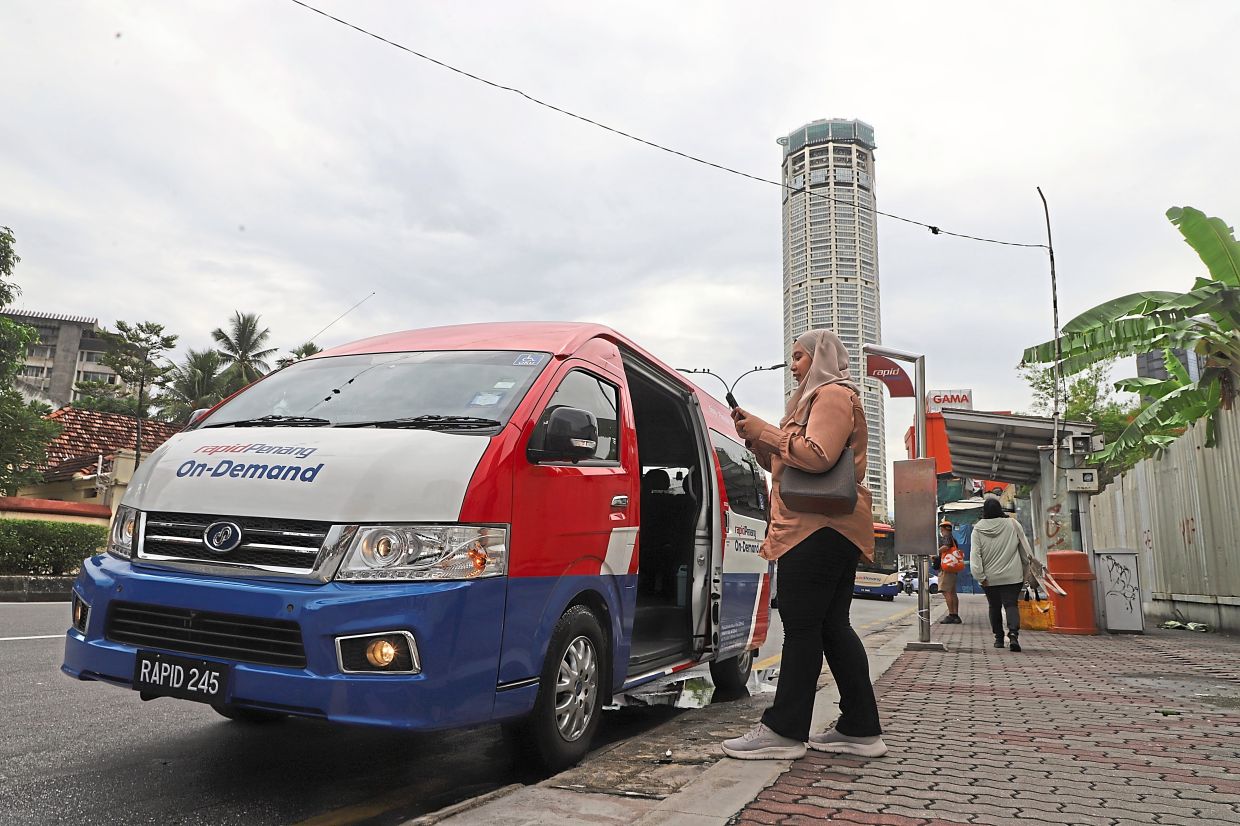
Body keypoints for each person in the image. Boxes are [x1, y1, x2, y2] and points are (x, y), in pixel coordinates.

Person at [721, 329, 885, 760]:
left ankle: (784, 731)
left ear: (821, 357)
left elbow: (818, 456)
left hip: (817, 528)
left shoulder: (830, 395)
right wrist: (757, 439)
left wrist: (768, 432)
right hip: (822, 527)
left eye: (799, 357)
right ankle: (860, 727)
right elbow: (788, 463)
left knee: (801, 627)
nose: (793, 365)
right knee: (831, 626)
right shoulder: (809, 402)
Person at [969, 497, 1031, 652]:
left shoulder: (977, 529)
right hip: (1013, 576)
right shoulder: (1012, 524)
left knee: (994, 606)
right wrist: (1026, 570)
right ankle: (1014, 635)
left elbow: (975, 555)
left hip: (990, 579)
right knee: (1011, 604)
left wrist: (980, 576)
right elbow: (1025, 551)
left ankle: (998, 638)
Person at [934, 520, 963, 624]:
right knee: (953, 592)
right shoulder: (953, 539)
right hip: (952, 568)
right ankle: (955, 615)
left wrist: (935, 552)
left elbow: (945, 547)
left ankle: (951, 614)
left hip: (946, 568)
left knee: (947, 592)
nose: (941, 531)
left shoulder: (947, 537)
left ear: (944, 529)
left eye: (942, 529)